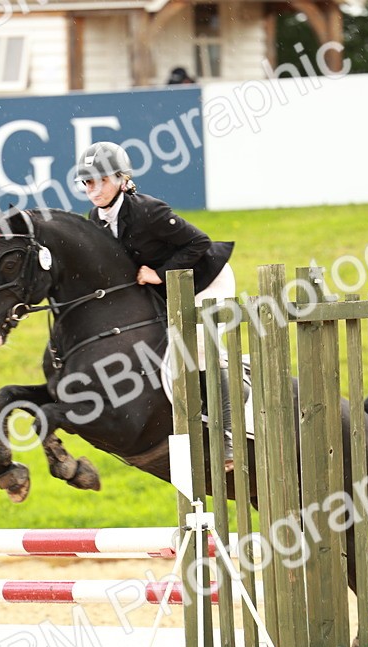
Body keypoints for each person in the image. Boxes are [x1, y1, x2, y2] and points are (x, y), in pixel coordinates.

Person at [76, 141, 236, 468]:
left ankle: (228, 435)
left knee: (200, 348)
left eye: (102, 180)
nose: (95, 188)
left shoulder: (148, 210)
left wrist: (159, 274)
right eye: (88, 182)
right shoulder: (96, 218)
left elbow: (199, 243)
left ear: (121, 180)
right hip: (166, 288)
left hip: (205, 277)